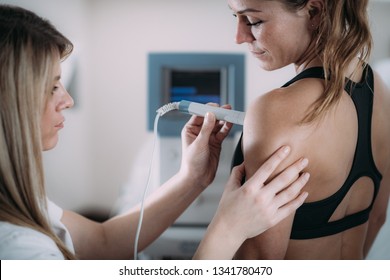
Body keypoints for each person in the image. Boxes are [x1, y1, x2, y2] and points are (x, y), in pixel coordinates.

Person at [0, 4, 309, 260]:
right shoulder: (17, 249)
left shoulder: (19, 205)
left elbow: (102, 242)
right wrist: (228, 228)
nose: (67, 100)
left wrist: (193, 178)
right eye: (52, 86)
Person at [229, 0, 390, 259]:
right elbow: (378, 217)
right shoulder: (378, 88)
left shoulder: (274, 111)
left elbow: (258, 262)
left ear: (314, 12)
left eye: (253, 21)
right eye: (235, 17)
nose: (239, 37)